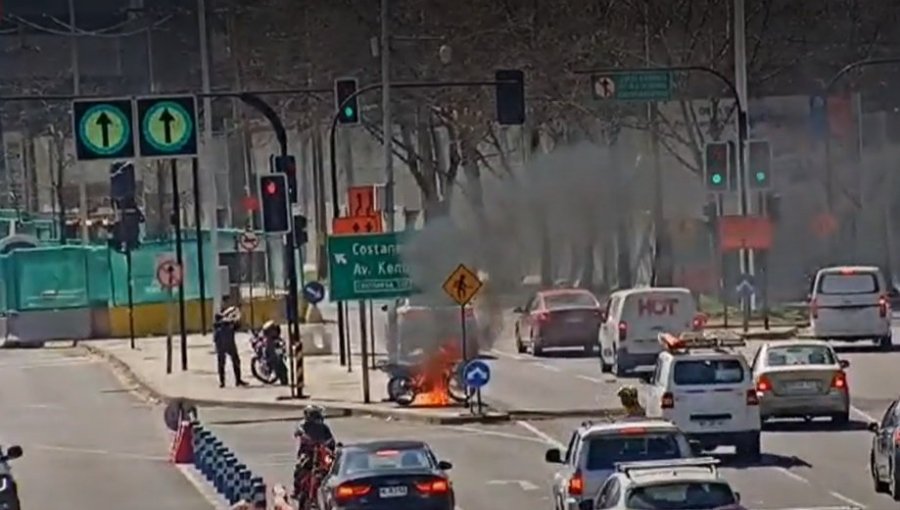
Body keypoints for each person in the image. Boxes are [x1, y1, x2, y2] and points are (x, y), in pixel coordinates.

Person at [292, 405, 336, 503]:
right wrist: (303, 436)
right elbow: (298, 432)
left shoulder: (324, 427)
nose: (318, 417)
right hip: (308, 452)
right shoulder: (303, 425)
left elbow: (331, 440)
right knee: (300, 466)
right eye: (316, 415)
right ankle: (297, 489)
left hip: (321, 452)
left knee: (330, 465)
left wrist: (330, 444)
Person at [214, 306, 247, 388]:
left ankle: (223, 382)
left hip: (221, 346)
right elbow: (238, 324)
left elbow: (215, 338)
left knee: (222, 364)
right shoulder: (227, 324)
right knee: (234, 361)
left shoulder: (218, 325)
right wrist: (238, 314)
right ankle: (237, 380)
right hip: (228, 345)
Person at [261, 320, 289, 385]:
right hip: (272, 355)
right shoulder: (269, 340)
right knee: (275, 361)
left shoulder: (275, 338)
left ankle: (281, 377)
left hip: (276, 355)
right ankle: (278, 375)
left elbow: (281, 346)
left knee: (278, 362)